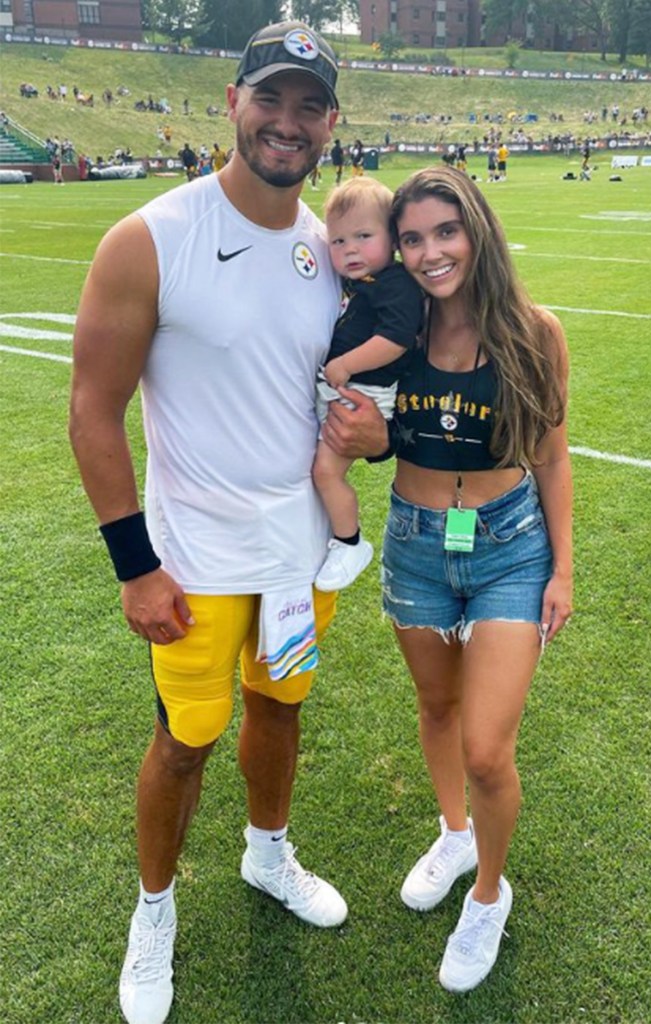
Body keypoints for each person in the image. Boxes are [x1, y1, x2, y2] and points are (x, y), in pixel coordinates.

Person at [69, 21, 348, 1024]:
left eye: (307, 104)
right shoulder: (150, 238)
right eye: (268, 98)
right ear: (232, 102)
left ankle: (266, 852)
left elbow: (326, 396)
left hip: (298, 555)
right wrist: (133, 567)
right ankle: (154, 911)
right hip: (191, 559)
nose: (286, 122)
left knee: (280, 708)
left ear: (329, 122)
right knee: (184, 740)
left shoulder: (331, 249)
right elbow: (92, 411)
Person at [341, 166, 572, 993]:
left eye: (445, 231)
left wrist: (563, 569)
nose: (430, 252)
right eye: (411, 238)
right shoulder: (390, 336)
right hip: (414, 543)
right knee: (435, 708)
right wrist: (361, 435)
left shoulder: (533, 332)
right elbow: (370, 443)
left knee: (486, 748)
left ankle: (486, 891)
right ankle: (453, 835)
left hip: (510, 546)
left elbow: (550, 452)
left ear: (476, 231)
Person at [313, 177, 423, 591]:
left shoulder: (395, 283)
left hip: (364, 394)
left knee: (326, 471)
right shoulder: (359, 283)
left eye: (363, 236)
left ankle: (349, 542)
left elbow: (395, 340)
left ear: (392, 238)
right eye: (338, 241)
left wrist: (344, 364)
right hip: (343, 388)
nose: (350, 249)